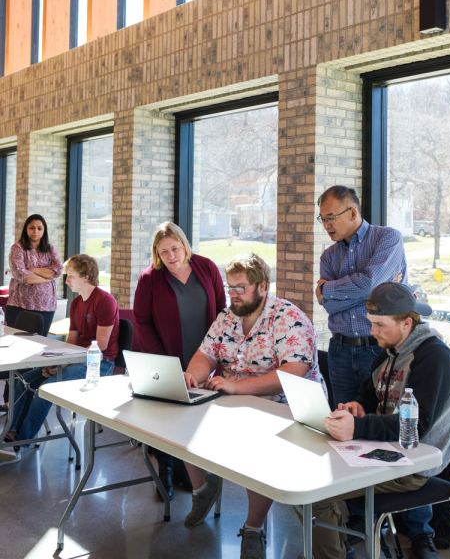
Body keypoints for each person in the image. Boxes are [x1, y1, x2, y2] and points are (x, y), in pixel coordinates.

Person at [301, 282, 450, 559]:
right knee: (306, 477)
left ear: (406, 323)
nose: (371, 331)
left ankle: (334, 553)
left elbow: (417, 427)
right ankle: (337, 550)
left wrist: (358, 427)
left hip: (414, 463)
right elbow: (368, 394)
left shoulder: (434, 358)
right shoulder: (388, 355)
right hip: (386, 451)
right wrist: (358, 408)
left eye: (379, 325)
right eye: (370, 323)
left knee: (311, 491)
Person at [182, 252, 324, 559]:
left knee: (258, 450)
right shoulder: (227, 316)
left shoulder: (289, 318)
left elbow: (293, 373)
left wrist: (236, 387)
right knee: (182, 420)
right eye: (229, 287)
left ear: (262, 286)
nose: (232, 294)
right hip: (235, 401)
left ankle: (254, 529)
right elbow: (206, 355)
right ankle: (202, 489)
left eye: (240, 288)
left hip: (286, 408)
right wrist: (192, 378)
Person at [133, 221, 226, 499]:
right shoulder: (150, 278)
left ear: (185, 245)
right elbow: (142, 322)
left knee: (196, 417)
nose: (171, 256)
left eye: (175, 248)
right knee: (167, 418)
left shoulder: (207, 267)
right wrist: (164, 363)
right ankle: (166, 470)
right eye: (164, 252)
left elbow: (222, 311)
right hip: (168, 357)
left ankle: (190, 471)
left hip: (205, 358)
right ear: (156, 254)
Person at [2, 254, 118, 462]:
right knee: (26, 380)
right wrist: (55, 362)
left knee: (47, 388)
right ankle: (10, 434)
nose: (66, 281)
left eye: (71, 276)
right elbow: (71, 342)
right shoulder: (75, 304)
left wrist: (64, 363)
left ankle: (21, 441)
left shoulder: (105, 301)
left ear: (86, 276)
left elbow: (100, 346)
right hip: (75, 358)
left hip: (100, 363)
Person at [316, 186, 408, 406]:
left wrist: (326, 289)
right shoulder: (328, 256)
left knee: (381, 419)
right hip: (340, 351)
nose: (326, 225)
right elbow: (328, 307)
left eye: (331, 218)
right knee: (343, 422)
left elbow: (369, 285)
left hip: (379, 347)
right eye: (322, 219)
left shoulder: (388, 238)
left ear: (352, 213)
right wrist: (371, 291)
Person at [6, 214, 64, 337]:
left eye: (39, 228)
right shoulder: (17, 248)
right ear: (26, 229)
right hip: (20, 305)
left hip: (46, 306)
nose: (35, 231)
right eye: (32, 227)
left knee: (41, 344)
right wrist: (48, 277)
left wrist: (31, 269)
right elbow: (22, 276)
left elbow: (58, 270)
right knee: (18, 344)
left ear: (44, 230)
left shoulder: (50, 249)